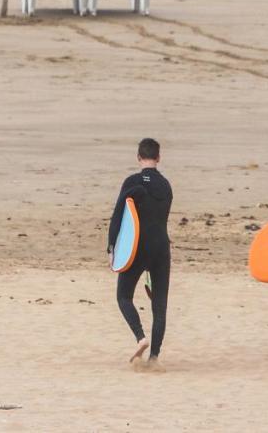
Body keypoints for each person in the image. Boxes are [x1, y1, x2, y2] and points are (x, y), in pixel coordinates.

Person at [107, 137, 172, 370]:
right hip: (161, 248)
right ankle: (154, 357)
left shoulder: (132, 182)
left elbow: (118, 216)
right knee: (160, 305)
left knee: (123, 296)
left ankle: (140, 337)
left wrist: (112, 247)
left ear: (138, 157)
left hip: (136, 247)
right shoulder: (166, 186)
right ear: (158, 158)